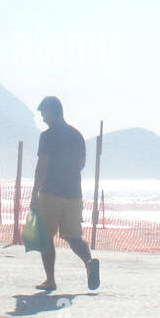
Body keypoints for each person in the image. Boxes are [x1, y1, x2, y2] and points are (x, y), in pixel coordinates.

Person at [29, 96, 99, 292]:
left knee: (45, 237)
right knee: (74, 237)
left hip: (51, 193)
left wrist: (35, 193)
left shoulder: (47, 136)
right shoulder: (77, 135)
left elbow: (42, 165)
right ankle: (89, 262)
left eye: (44, 113)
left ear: (52, 112)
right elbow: (82, 164)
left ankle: (50, 280)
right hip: (74, 194)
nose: (43, 118)